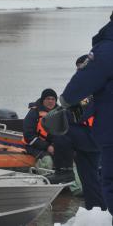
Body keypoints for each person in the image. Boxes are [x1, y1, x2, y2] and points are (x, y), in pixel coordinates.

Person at [60, 12, 113, 214]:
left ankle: (95, 210)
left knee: (107, 181)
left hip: (101, 138)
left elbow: (72, 97)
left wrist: (64, 104)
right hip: (92, 141)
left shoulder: (106, 50)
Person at [61, 55, 106, 210]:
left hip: (91, 139)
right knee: (90, 177)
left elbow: (77, 114)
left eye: (81, 69)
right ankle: (96, 208)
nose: (79, 73)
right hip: (92, 140)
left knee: (59, 131)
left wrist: (61, 114)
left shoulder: (93, 92)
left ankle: (64, 170)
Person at [22, 88, 75, 184]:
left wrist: (56, 146)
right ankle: (45, 182)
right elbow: (28, 135)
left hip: (55, 146)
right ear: (43, 100)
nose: (50, 101)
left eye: (53, 99)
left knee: (72, 159)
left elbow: (65, 133)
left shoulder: (60, 113)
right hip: (34, 146)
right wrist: (47, 147)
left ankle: (71, 183)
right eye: (48, 99)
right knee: (47, 160)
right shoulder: (34, 113)